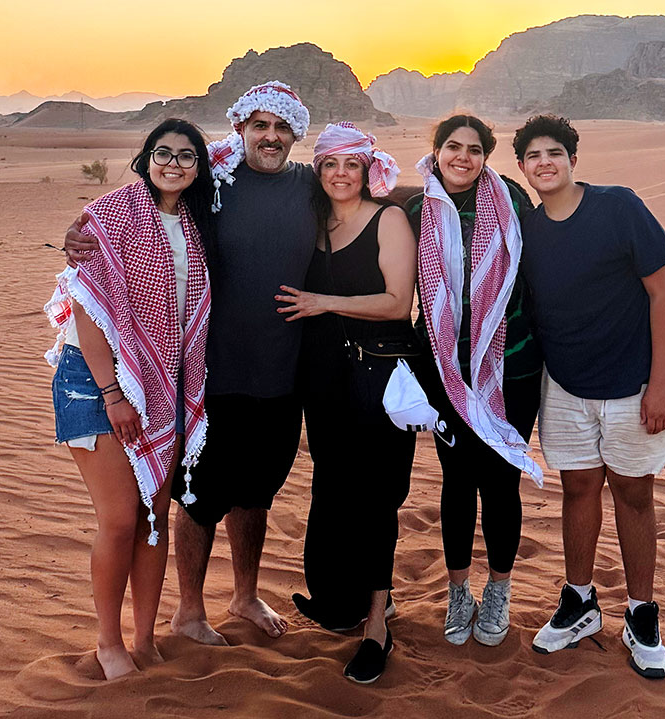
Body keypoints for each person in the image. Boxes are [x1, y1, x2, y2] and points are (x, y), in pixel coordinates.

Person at [63, 82, 317, 644]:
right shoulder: (214, 186)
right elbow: (120, 234)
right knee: (198, 497)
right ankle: (190, 612)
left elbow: (372, 189)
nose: (270, 137)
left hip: (280, 375)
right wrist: (79, 235)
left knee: (256, 493)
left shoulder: (310, 183)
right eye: (259, 126)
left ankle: (245, 597)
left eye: (282, 128)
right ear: (241, 131)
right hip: (205, 379)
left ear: (296, 135)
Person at [45, 118, 213, 679]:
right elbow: (90, 307)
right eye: (162, 153)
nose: (174, 164)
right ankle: (108, 642)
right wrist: (114, 392)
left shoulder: (194, 221)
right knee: (120, 518)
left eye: (187, 157)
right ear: (146, 157)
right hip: (97, 381)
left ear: (199, 166)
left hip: (164, 382)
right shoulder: (111, 216)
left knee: (156, 516)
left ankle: (144, 636)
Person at [513, 114, 665, 678]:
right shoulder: (528, 230)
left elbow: (664, 293)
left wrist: (660, 384)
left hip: (634, 382)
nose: (545, 163)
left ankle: (641, 613)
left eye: (554, 153)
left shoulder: (618, 207)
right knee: (578, 487)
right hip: (564, 383)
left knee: (633, 493)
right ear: (522, 168)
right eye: (533, 156)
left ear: (573, 159)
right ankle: (579, 601)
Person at [275, 122, 417, 683]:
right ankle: (340, 600)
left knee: (375, 494)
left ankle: (378, 622)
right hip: (324, 378)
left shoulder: (389, 219)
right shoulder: (312, 224)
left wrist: (320, 302)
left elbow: (395, 301)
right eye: (330, 164)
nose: (340, 174)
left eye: (350, 165)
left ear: (366, 169)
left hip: (378, 376)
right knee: (332, 484)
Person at [405, 115, 543, 649]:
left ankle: (501, 589)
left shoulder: (511, 200)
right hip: (442, 366)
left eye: (474, 149)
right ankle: (459, 590)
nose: (462, 157)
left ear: (487, 154)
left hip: (514, 364)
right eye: (452, 147)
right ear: (435, 150)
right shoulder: (416, 207)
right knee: (457, 478)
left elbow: (537, 272)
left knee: (501, 479)